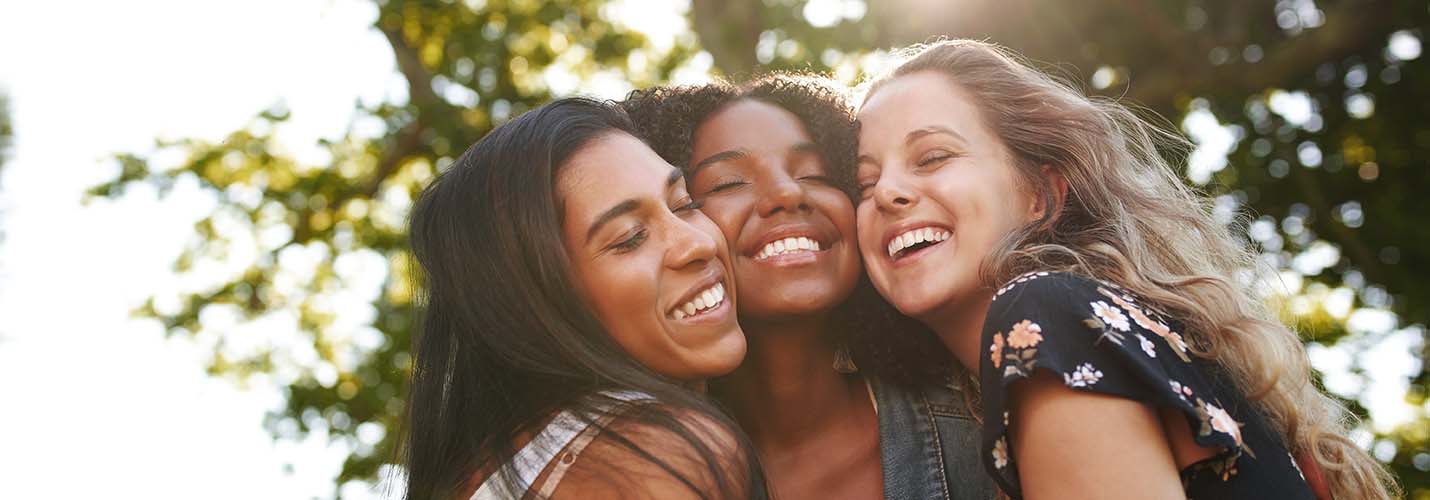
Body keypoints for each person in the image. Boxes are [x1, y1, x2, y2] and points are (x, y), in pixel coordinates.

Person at [851, 39, 1396, 499]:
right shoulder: (1103, 340)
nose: (888, 193)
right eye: (864, 182)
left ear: (1040, 193)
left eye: (933, 157)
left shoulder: (1045, 316)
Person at [623, 74, 994, 500]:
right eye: (728, 183)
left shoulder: (979, 429)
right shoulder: (622, 472)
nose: (787, 192)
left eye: (816, 174)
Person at [400, 97, 761, 499]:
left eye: (685, 204)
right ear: (535, 304)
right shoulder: (660, 458)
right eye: (630, 238)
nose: (697, 243)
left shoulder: (478, 475)